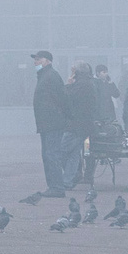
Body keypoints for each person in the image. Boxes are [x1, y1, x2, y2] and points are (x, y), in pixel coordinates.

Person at [31, 49, 74, 196]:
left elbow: (62, 98)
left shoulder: (50, 76)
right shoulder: (44, 75)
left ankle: (57, 187)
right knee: (48, 155)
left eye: (39, 59)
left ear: (48, 61)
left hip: (52, 123)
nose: (36, 62)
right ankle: (53, 186)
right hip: (46, 123)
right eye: (35, 59)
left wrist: (66, 117)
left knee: (51, 154)